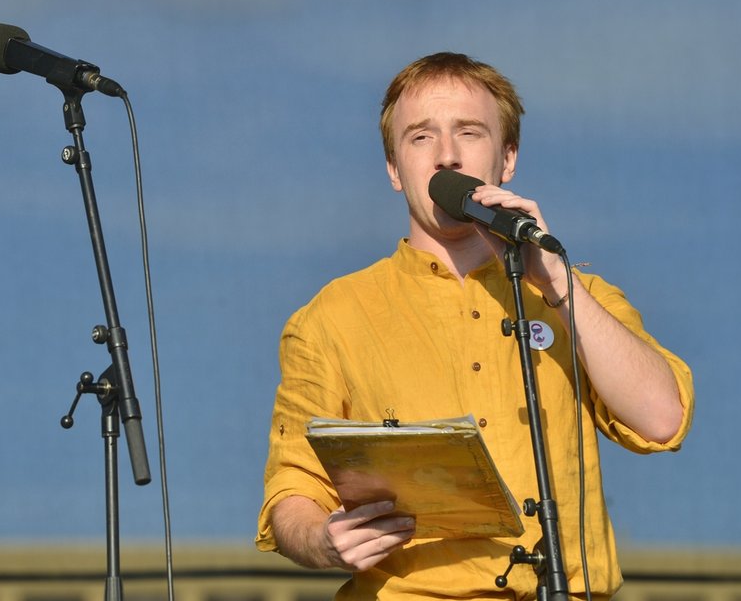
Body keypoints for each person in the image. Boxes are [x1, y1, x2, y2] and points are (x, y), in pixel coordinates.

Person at [255, 52, 695, 599]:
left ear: (507, 158)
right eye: (420, 137)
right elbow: (291, 491)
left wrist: (556, 283)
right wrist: (323, 539)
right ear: (394, 169)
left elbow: (662, 419)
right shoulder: (331, 317)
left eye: (469, 132)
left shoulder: (576, 295)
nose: (447, 156)